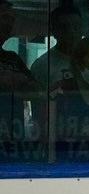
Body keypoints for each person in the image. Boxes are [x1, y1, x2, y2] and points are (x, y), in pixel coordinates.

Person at [0, 0, 38, 147]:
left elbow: (37, 90)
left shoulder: (12, 59)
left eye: (12, 19)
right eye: (4, 17)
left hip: (13, 140)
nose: (9, 24)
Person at [29, 4, 83, 89]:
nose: (72, 31)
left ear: (83, 29)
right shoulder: (42, 65)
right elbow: (36, 99)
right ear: (54, 31)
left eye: (76, 26)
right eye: (65, 27)